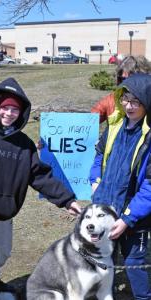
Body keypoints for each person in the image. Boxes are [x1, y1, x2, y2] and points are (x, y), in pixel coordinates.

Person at [0, 77, 82, 300]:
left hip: (5, 215)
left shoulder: (24, 145)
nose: (9, 113)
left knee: (1, 255)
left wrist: (67, 200)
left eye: (14, 109)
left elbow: (40, 176)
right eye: (5, 108)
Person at [90, 73, 151, 299]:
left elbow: (149, 186)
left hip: (134, 216)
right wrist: (95, 181)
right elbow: (98, 156)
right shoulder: (115, 125)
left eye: (136, 101)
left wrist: (127, 219)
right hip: (104, 207)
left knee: (134, 262)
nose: (129, 105)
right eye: (125, 99)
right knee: (103, 259)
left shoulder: (149, 136)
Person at [91, 55, 151, 123]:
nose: (126, 84)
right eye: (122, 79)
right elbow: (90, 119)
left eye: (131, 80)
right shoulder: (111, 100)